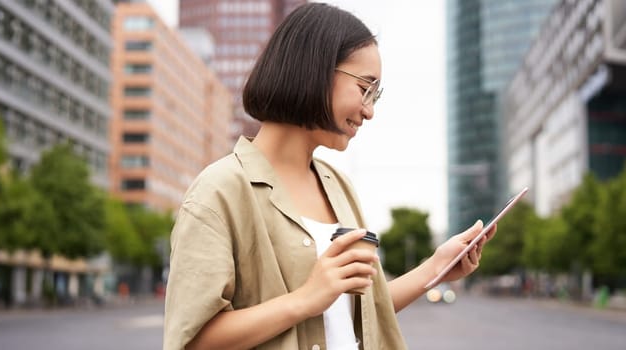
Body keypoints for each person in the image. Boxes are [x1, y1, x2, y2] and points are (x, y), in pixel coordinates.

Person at [163, 3, 494, 350]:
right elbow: (192, 340)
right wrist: (306, 299)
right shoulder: (218, 192)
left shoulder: (339, 187)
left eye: (375, 95)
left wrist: (434, 269)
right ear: (316, 70)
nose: (369, 111)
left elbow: (356, 314)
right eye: (365, 88)